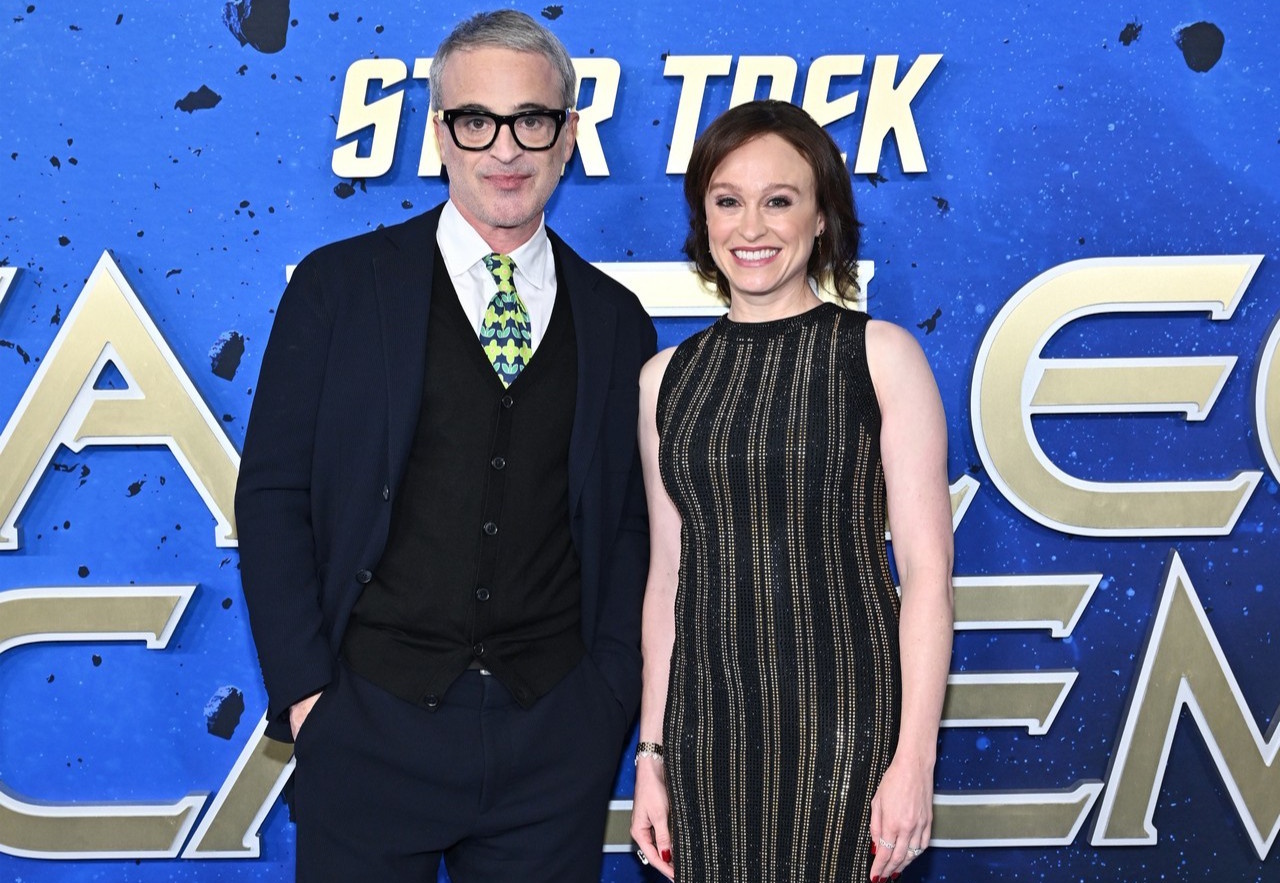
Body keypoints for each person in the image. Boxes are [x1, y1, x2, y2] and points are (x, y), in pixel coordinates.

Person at [235, 10, 656, 882]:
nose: (506, 149)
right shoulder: (337, 290)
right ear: (439, 132)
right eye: (476, 120)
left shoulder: (617, 319)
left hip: (553, 745)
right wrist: (312, 698)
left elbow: (629, 525)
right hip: (367, 730)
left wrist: (607, 694)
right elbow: (272, 497)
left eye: (532, 119)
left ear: (568, 135)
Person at [629, 100, 954, 883]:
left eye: (780, 199)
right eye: (727, 200)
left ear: (821, 219)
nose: (752, 226)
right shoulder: (664, 380)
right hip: (710, 732)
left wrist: (914, 757)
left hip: (847, 721)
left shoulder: (879, 355)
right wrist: (652, 754)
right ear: (703, 217)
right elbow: (670, 576)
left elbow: (927, 576)